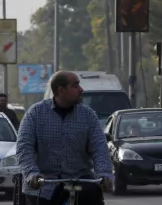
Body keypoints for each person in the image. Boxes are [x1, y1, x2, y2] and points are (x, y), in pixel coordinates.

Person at [17, 71, 113, 205]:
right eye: (75, 85)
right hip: (44, 183)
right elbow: (24, 148)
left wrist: (104, 174)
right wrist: (32, 174)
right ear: (60, 90)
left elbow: (99, 148)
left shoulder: (88, 115)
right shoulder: (35, 114)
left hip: (80, 181)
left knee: (93, 196)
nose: (81, 89)